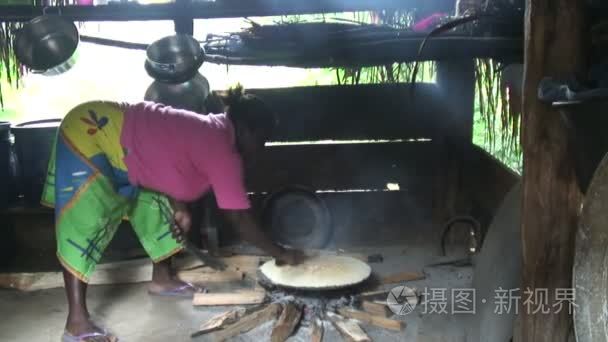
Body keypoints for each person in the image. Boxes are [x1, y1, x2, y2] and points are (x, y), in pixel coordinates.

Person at [41, 85, 305, 342]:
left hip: (122, 144)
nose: (262, 148)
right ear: (248, 130)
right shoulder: (223, 148)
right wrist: (280, 253)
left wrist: (180, 207)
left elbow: (166, 160)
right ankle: (76, 323)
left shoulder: (216, 130)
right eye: (262, 140)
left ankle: (162, 279)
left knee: (155, 206)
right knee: (85, 220)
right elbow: (238, 217)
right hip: (91, 133)